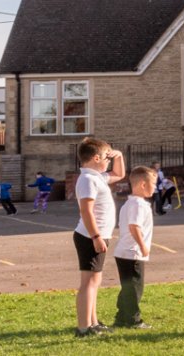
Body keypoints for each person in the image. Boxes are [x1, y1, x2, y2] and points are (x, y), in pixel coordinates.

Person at [72, 137, 126, 337]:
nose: (108, 161)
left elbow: (119, 174)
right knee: (88, 282)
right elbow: (86, 211)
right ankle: (84, 327)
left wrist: (118, 156)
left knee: (95, 280)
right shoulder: (88, 180)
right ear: (96, 158)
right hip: (90, 236)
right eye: (106, 158)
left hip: (98, 235)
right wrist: (95, 236)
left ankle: (93, 322)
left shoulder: (98, 177)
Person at [113, 166, 158, 330]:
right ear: (143, 184)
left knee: (128, 287)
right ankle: (133, 320)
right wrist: (143, 245)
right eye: (153, 184)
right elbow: (134, 226)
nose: (155, 187)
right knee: (135, 287)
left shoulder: (130, 203)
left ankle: (121, 317)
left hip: (124, 252)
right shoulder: (138, 205)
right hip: (132, 252)